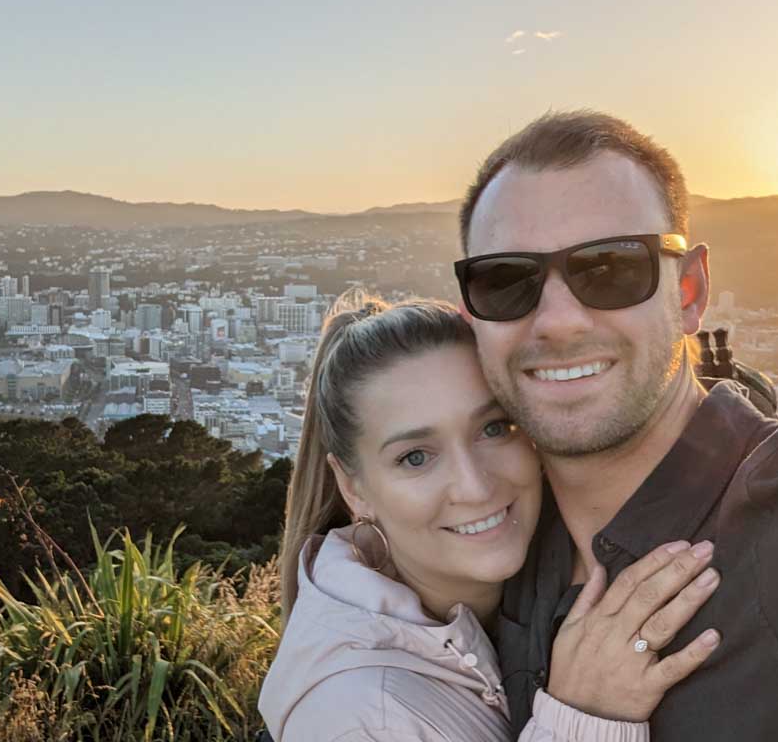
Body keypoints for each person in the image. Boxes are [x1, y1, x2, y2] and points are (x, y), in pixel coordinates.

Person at [454, 110, 778, 740]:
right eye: (508, 281)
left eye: (611, 269)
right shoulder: (493, 541)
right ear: (473, 318)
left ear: (690, 293)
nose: (558, 321)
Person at [258, 292, 722, 741]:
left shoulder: (538, 582)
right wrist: (584, 718)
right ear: (353, 487)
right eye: (416, 457)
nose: (475, 486)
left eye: (494, 428)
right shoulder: (360, 717)